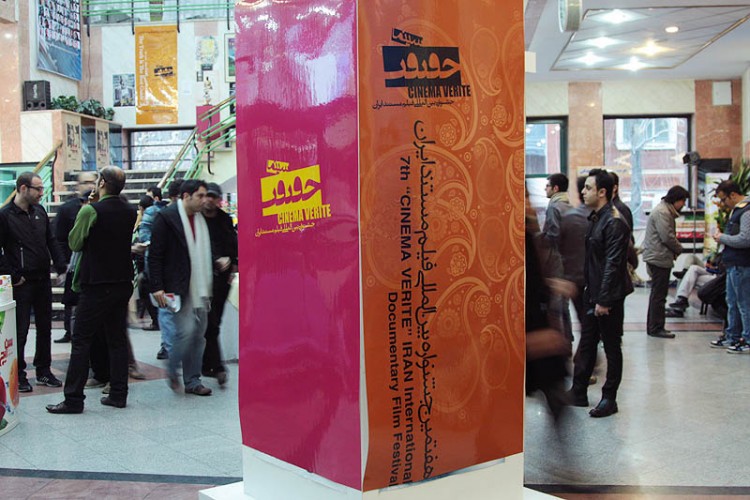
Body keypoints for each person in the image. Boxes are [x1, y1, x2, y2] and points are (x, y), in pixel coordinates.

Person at [46, 167, 137, 414]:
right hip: (122, 282)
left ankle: (73, 399)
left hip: (96, 283)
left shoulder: (90, 210)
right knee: (117, 340)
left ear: (103, 183)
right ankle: (118, 394)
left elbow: (75, 242)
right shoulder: (130, 211)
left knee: (81, 340)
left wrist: (88, 206)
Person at [568, 168, 633, 418]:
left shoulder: (614, 221)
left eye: (588, 188)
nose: (583, 192)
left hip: (609, 296)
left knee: (611, 346)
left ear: (602, 192)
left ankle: (609, 398)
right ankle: (578, 391)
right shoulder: (597, 217)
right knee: (587, 342)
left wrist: (604, 300)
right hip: (593, 291)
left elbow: (613, 264)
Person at [0, 172, 67, 392]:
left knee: (45, 328)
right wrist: (13, 275)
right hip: (22, 282)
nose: (41, 193)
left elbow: (51, 240)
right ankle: (19, 374)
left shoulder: (40, 212)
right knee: (20, 331)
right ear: (23, 188)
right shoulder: (5, 215)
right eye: (37, 188)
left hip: (42, 279)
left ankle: (44, 371)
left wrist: (60, 266)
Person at [148, 179, 214, 396]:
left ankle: (193, 380)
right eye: (200, 196)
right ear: (186, 196)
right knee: (186, 332)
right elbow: (155, 255)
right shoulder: (166, 217)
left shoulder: (202, 220)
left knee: (199, 336)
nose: (204, 200)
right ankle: (175, 368)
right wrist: (157, 286)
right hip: (177, 286)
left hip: (201, 287)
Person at [53, 171, 97, 343]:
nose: (90, 185)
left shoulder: (101, 206)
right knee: (72, 301)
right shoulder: (67, 209)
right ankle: (69, 332)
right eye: (85, 182)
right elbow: (59, 239)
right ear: (78, 186)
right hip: (74, 263)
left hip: (95, 265)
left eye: (93, 182)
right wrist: (62, 265)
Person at [642, 186, 689, 338]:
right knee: (659, 295)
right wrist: (679, 248)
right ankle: (656, 328)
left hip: (658, 256)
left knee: (658, 294)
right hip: (659, 258)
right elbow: (667, 237)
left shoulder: (664, 210)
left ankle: (655, 326)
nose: (683, 204)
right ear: (676, 199)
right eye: (683, 201)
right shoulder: (663, 212)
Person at [201, 183, 237, 385]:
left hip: (222, 279)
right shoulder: (197, 219)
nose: (209, 200)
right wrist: (215, 259)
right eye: (207, 196)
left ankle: (208, 364)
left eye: (213, 197)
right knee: (211, 323)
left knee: (214, 322)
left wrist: (232, 264)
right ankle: (218, 366)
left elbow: (232, 244)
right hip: (203, 277)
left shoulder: (224, 219)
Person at [140, 180, 180, 358]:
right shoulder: (156, 213)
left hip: (178, 268)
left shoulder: (188, 215)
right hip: (163, 269)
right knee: (166, 308)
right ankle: (168, 347)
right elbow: (145, 236)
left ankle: (170, 346)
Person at [711, 180, 750, 352]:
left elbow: (745, 239)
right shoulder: (738, 210)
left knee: (744, 304)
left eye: (724, 199)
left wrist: (722, 238)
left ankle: (747, 339)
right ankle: (732, 335)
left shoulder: (746, 211)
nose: (723, 204)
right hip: (733, 263)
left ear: (733, 195)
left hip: (742, 264)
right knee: (732, 302)